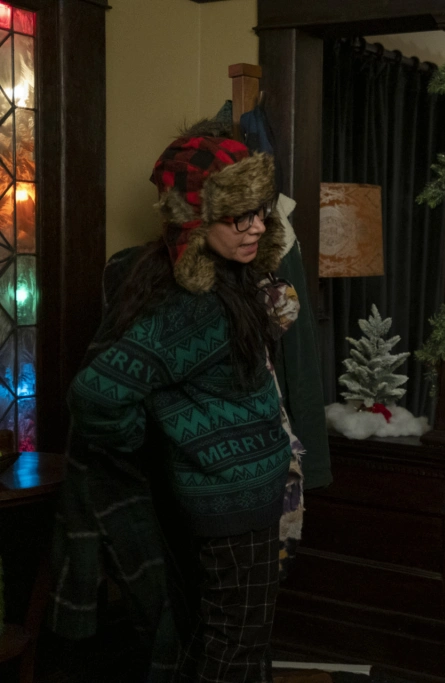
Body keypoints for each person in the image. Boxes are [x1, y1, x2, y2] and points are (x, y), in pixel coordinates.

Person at [67, 121, 296, 682]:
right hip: (229, 504)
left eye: (260, 211)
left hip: (242, 499)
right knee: (233, 650)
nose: (255, 226)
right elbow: (94, 394)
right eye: (236, 215)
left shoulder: (227, 284)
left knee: (225, 641)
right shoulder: (193, 306)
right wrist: (144, 439)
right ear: (194, 218)